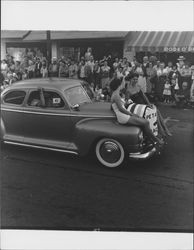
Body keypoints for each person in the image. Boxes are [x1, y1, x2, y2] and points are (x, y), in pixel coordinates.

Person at [110, 78, 164, 146]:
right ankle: (155, 140)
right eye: (123, 83)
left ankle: (149, 139)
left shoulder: (116, 94)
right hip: (123, 116)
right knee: (146, 122)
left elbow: (119, 106)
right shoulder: (116, 95)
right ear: (119, 85)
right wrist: (132, 114)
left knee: (144, 120)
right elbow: (121, 109)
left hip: (123, 115)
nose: (124, 84)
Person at [125, 73, 172, 137]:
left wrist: (149, 104)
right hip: (139, 107)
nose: (135, 81)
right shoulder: (128, 90)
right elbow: (128, 102)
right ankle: (162, 130)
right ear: (130, 79)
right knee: (155, 111)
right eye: (134, 79)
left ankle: (164, 129)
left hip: (144, 104)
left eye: (136, 79)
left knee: (156, 110)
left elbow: (144, 96)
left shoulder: (138, 86)